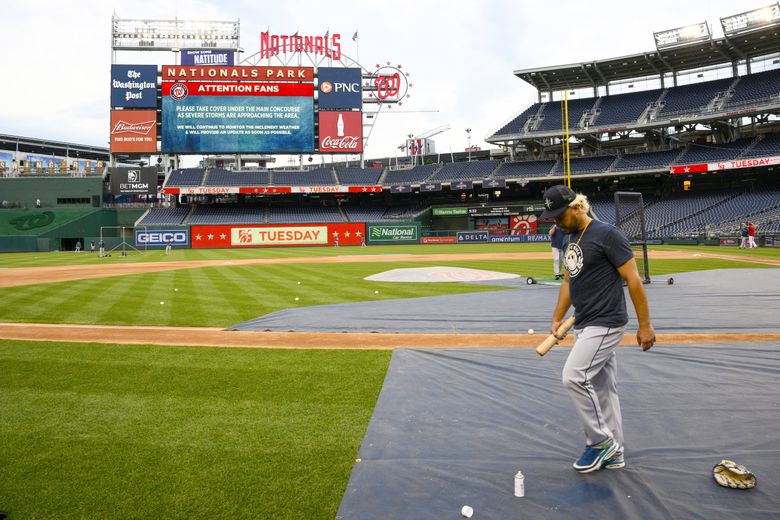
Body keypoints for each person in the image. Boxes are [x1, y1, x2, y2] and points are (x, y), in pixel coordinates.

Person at [541, 185, 655, 474]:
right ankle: (616, 451)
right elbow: (568, 281)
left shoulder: (608, 235)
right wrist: (557, 318)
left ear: (577, 208)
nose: (556, 223)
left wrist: (645, 325)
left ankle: (600, 442)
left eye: (559, 216)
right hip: (584, 320)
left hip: (606, 320)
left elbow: (634, 280)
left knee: (574, 377)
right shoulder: (569, 238)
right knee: (604, 388)